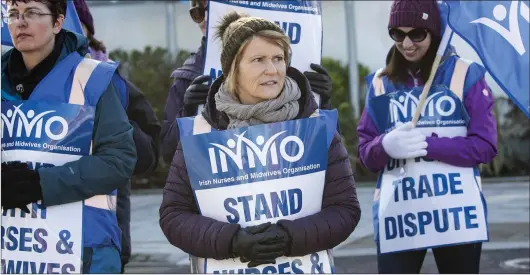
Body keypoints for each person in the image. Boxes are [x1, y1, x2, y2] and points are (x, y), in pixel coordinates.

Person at [159, 11, 361, 273]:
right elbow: (173, 215)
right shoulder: (201, 132)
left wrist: (289, 237)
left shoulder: (315, 125)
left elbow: (345, 210)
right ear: (233, 67)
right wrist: (232, 241)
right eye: (258, 60)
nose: (272, 69)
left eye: (279, 58)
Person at [357, 0, 497, 273]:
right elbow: (366, 154)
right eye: (397, 34)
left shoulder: (466, 75)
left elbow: (485, 146)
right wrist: (383, 146)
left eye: (417, 34)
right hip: (399, 216)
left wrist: (427, 145)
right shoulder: (380, 83)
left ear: (434, 33)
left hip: (456, 214)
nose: (406, 43)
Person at [1, 0, 136, 273]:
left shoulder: (93, 78)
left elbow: (119, 159)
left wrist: (41, 183)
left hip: (83, 251)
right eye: (13, 14)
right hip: (12, 249)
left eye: (32, 13)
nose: (21, 22)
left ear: (58, 22)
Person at [160, 0, 333, 164]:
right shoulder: (188, 77)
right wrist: (188, 114)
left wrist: (321, 103)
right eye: (197, 12)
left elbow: (328, 156)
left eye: (214, 8)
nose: (206, 18)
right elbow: (169, 155)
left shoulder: (295, 71)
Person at [73, 0, 162, 272]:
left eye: (73, 19)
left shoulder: (113, 82)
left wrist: (110, 115)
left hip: (103, 240)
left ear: (87, 29)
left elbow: (149, 155)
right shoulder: (16, 83)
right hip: (35, 241)